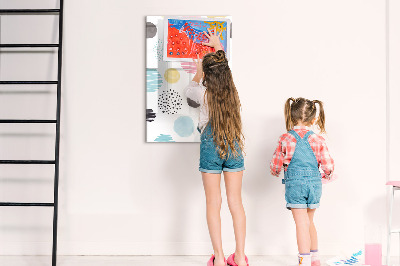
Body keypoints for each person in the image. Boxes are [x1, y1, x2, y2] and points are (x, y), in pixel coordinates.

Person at [184, 28, 248, 266]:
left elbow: (189, 90)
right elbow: (224, 69)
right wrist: (218, 46)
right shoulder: (232, 93)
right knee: (236, 202)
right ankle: (240, 257)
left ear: (207, 75)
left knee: (214, 203)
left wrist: (199, 69)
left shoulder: (201, 94)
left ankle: (219, 259)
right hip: (233, 145)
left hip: (211, 147)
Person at [270, 98, 335, 266]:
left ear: (291, 117)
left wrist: (275, 171)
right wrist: (327, 175)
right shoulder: (318, 139)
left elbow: (275, 164)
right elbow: (328, 165)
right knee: (309, 222)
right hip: (314, 185)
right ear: (313, 120)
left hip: (295, 186)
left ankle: (304, 261)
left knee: (301, 224)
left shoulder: (285, 138)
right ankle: (315, 260)